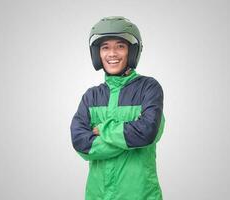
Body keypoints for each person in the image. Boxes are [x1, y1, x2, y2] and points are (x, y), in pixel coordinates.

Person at [70, 16, 165, 200]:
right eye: (105, 47)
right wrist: (127, 141)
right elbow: (80, 143)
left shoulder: (149, 88)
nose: (112, 53)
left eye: (120, 46)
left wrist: (103, 129)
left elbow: (147, 133)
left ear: (132, 51)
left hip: (140, 195)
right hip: (98, 195)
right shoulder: (91, 96)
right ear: (97, 53)